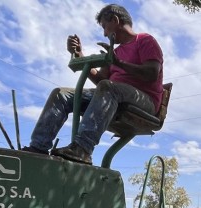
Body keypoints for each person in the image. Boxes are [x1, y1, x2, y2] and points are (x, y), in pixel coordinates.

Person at [23, 4, 164, 165]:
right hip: (114, 94)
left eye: (105, 26)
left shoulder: (145, 40)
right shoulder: (115, 52)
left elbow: (151, 73)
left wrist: (120, 63)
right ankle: (38, 147)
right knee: (61, 94)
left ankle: (82, 149)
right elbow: (100, 81)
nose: (104, 33)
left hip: (145, 101)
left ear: (115, 20)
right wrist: (79, 55)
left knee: (108, 86)